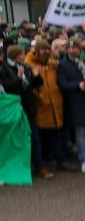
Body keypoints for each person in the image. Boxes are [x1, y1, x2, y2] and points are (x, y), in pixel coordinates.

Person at [27, 40, 66, 171]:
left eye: (48, 50)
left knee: (56, 133)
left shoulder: (51, 63)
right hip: (40, 105)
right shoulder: (30, 64)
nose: (46, 52)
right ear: (37, 51)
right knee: (41, 135)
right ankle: (41, 163)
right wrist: (40, 97)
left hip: (54, 103)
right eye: (44, 50)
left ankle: (60, 160)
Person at [57, 38, 85, 173]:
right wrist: (78, 85)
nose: (72, 50)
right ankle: (83, 160)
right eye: (70, 48)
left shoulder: (82, 60)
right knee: (80, 132)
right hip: (76, 101)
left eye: (75, 48)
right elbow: (62, 83)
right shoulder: (63, 64)